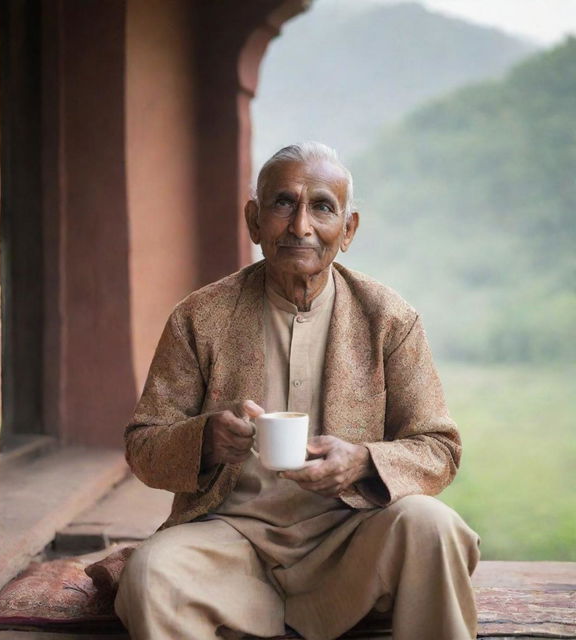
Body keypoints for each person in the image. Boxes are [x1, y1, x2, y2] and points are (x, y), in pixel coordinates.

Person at [114, 142, 480, 640]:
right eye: (283, 203)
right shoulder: (199, 316)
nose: (301, 226)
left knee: (432, 527)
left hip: (350, 538)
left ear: (347, 230)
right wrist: (205, 439)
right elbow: (144, 444)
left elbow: (439, 447)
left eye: (322, 207)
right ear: (254, 221)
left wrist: (363, 461)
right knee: (151, 573)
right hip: (230, 541)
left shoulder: (389, 319)